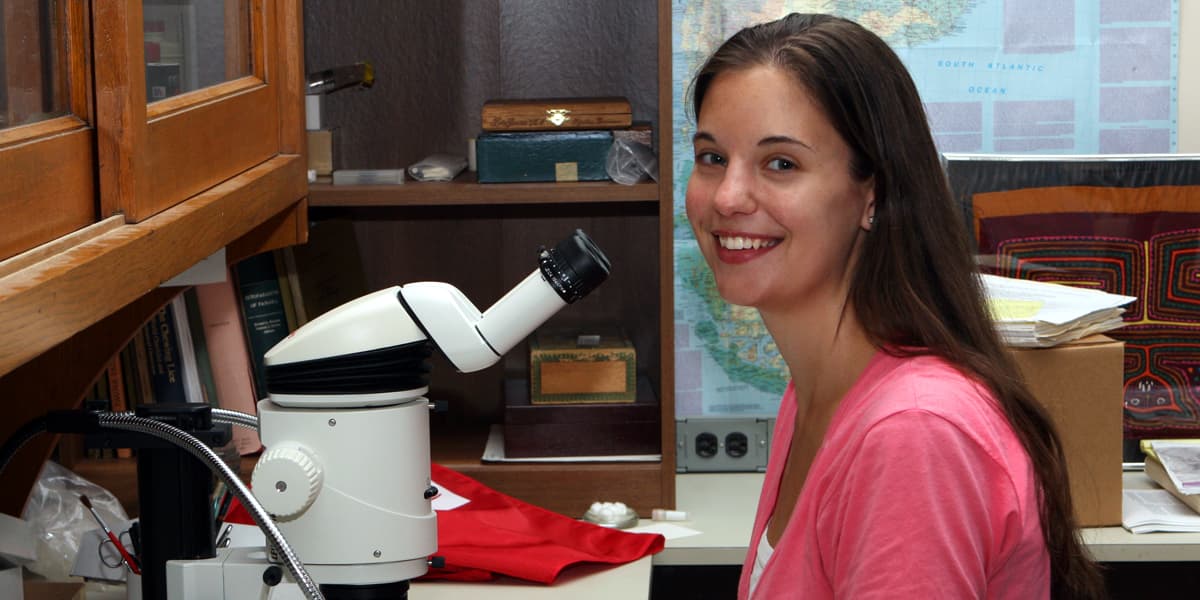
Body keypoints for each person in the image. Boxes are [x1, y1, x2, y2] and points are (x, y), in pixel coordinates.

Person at [684, 13, 1105, 599]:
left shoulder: (912, 434)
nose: (727, 197)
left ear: (871, 194)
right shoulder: (815, 395)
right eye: (712, 158)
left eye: (781, 163)